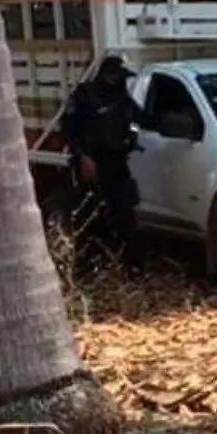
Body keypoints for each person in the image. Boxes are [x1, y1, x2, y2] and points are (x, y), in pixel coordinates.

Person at [60, 56, 149, 278]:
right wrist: (83, 158)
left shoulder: (120, 96)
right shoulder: (85, 96)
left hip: (117, 163)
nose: (118, 81)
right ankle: (87, 270)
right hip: (93, 164)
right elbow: (69, 130)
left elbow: (142, 117)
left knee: (125, 215)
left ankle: (132, 267)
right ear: (107, 75)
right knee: (91, 217)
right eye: (116, 76)